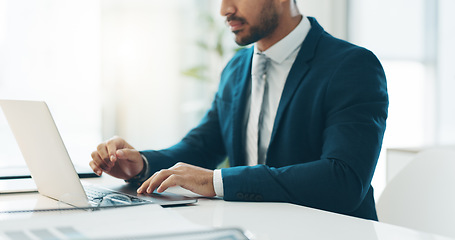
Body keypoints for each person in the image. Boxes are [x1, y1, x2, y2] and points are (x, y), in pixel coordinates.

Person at [90, 0, 388, 221]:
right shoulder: (236, 67)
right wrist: (140, 165)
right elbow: (202, 146)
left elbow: (344, 180)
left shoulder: (352, 66)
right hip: (254, 228)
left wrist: (216, 181)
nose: (224, 10)